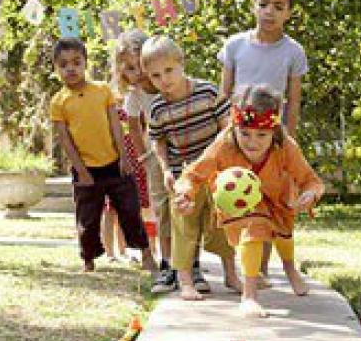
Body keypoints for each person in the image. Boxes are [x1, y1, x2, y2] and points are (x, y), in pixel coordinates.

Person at [174, 84, 324, 318]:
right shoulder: (224, 144)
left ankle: (290, 268)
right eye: (244, 133)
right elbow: (192, 174)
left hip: (278, 197)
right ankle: (249, 295)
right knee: (254, 227)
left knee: (284, 234)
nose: (252, 142)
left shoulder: (286, 146)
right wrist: (185, 194)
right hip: (240, 201)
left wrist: (310, 194)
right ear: (234, 127)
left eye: (261, 135)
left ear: (273, 131)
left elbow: (311, 180)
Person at [218, 0, 308, 283]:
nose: (269, 12)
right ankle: (236, 270)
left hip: (271, 137)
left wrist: (288, 140)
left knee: (268, 200)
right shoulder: (235, 46)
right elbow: (224, 94)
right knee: (234, 198)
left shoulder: (294, 52)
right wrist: (223, 135)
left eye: (278, 7)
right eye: (264, 4)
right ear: (254, 6)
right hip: (237, 136)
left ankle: (262, 269)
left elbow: (293, 101)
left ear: (289, 13)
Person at [141, 35, 241, 301]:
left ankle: (231, 274)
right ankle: (186, 281)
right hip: (182, 174)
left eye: (169, 71)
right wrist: (164, 169)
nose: (164, 80)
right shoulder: (158, 107)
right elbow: (158, 141)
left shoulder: (207, 92)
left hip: (215, 171)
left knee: (223, 222)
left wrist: (221, 161)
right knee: (183, 225)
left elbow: (227, 127)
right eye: (155, 76)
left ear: (181, 63)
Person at [49, 37, 157, 273]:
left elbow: (116, 127)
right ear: (56, 68)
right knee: (87, 219)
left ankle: (147, 255)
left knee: (131, 211)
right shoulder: (58, 102)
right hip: (86, 169)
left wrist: (124, 158)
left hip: (115, 165)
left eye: (77, 62)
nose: (71, 68)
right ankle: (88, 260)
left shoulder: (102, 91)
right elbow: (65, 140)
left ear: (85, 63)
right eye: (64, 64)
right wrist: (82, 171)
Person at [111, 29, 175, 289]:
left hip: (182, 148)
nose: (134, 73)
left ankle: (187, 259)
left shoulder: (167, 83)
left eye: (138, 66)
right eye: (127, 68)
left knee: (184, 206)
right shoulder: (135, 95)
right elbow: (134, 125)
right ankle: (166, 260)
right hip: (155, 153)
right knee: (160, 206)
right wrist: (144, 155)